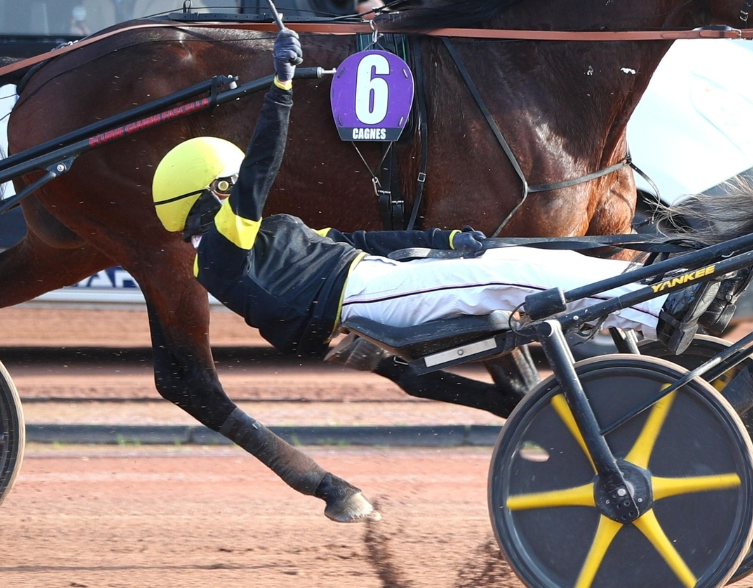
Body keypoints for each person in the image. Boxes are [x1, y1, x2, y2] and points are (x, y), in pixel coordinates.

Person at [150, 29, 667, 519]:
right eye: (231, 185)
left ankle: (648, 302)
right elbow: (261, 167)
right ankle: (660, 309)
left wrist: (446, 241)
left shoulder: (266, 234)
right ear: (215, 193)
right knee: (516, 274)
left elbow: (364, 242)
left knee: (523, 261)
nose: (243, 191)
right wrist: (282, 83)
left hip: (379, 277)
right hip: (367, 299)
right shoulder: (220, 252)